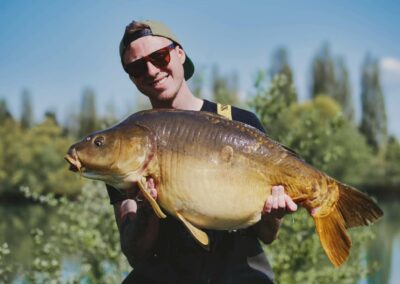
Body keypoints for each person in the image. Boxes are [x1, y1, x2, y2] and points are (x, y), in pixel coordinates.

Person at [107, 20, 298, 284]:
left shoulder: (240, 122)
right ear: (132, 77)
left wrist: (273, 215)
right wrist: (146, 206)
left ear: (180, 53)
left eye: (159, 57)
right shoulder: (127, 145)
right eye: (138, 67)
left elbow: (266, 234)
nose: (151, 71)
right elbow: (134, 252)